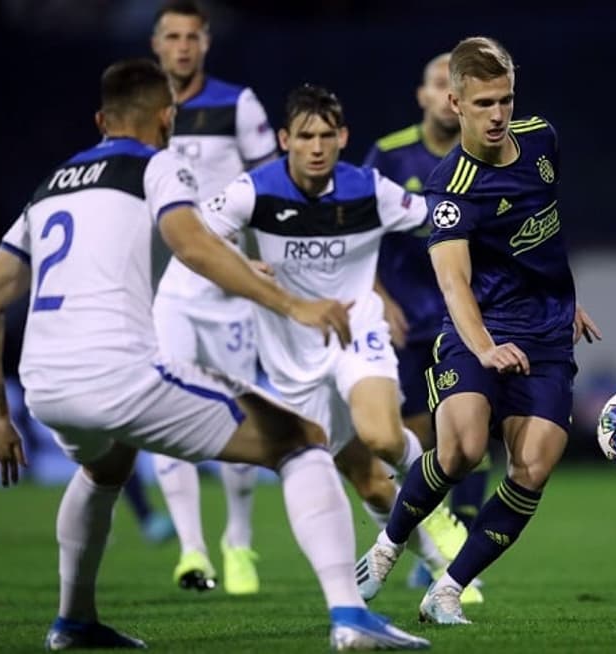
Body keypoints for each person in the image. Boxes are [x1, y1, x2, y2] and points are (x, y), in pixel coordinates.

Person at [0, 58, 428, 651]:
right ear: (167, 117)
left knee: (104, 469)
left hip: (46, 385)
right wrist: (294, 305)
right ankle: (350, 616)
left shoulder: (54, 183)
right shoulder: (161, 165)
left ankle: (74, 621)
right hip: (122, 375)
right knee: (303, 439)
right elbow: (192, 245)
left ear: (101, 120)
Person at [355, 36, 602, 625]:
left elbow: (546, 232)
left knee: (533, 468)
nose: (498, 115)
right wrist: (486, 348)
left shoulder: (543, 138)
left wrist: (567, 301)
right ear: (456, 101)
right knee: (462, 449)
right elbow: (454, 284)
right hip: (478, 331)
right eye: (485, 103)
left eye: (506, 101)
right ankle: (390, 543)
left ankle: (448, 588)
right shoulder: (450, 187)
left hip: (544, 336)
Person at [202, 83, 476, 599]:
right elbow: (195, 236)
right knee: (370, 482)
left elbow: (439, 219)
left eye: (328, 135)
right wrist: (240, 262)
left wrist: (508, 227)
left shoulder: (368, 188)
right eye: (306, 136)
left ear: (343, 137)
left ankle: (437, 514)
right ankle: (441, 563)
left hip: (358, 332)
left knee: (384, 437)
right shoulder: (251, 191)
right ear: (285, 139)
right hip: (291, 354)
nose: (317, 146)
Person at [149, 0, 278, 595]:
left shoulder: (237, 103)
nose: (181, 47)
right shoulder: (141, 109)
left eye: (190, 37)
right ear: (156, 44)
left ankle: (239, 540)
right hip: (171, 288)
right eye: (171, 36)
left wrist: (264, 265)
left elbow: (274, 190)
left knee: (235, 417)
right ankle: (192, 550)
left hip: (231, 289)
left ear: (205, 44)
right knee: (166, 412)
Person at [363, 53, 489, 590]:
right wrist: (376, 295)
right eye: (438, 84)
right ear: (424, 96)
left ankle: (455, 552)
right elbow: (354, 233)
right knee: (418, 440)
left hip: (464, 318)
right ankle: (432, 544)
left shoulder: (486, 157)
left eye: (453, 86)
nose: (445, 95)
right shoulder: (389, 157)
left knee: (472, 433)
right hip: (406, 323)